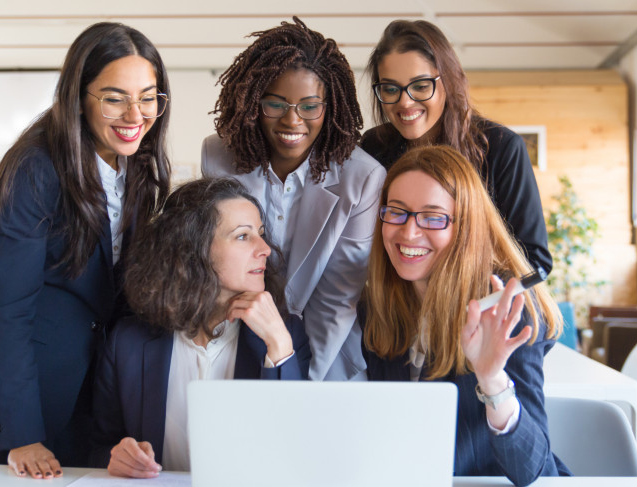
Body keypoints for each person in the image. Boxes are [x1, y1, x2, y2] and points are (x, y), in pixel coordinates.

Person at [0, 22, 172, 479]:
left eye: (148, 96)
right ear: (79, 98)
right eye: (115, 97)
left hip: (76, 390)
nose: (135, 113)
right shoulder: (36, 169)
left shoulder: (135, 170)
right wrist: (21, 434)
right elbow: (6, 311)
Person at [361, 146, 570, 486]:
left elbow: (534, 472)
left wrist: (492, 381)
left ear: (467, 226)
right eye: (396, 212)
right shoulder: (377, 304)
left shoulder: (508, 309)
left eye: (433, 217)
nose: (408, 233)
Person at [202, 17, 385, 381]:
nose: (292, 120)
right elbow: (213, 264)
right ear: (255, 100)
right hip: (235, 336)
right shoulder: (218, 156)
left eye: (309, 106)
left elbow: (337, 298)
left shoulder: (362, 178)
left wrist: (298, 378)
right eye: (276, 104)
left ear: (329, 107)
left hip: (326, 355)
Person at [89, 177, 311, 477]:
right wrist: (116, 457)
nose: (265, 249)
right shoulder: (128, 341)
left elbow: (295, 456)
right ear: (193, 249)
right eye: (243, 237)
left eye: (260, 234)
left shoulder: (286, 336)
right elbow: (99, 445)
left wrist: (280, 347)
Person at [360, 20, 552, 276]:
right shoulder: (374, 148)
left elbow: (534, 261)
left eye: (420, 86)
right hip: (397, 308)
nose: (404, 102)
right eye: (390, 88)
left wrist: (466, 305)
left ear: (448, 82)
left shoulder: (501, 148)